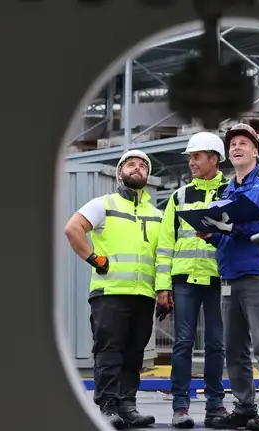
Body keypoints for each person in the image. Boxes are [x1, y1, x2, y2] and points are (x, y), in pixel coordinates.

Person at [64, 149, 162, 430]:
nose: (137, 167)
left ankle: (127, 405)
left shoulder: (156, 214)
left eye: (143, 165)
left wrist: (164, 292)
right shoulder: (103, 204)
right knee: (109, 351)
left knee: (134, 352)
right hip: (110, 293)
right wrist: (94, 258)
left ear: (147, 175)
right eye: (131, 164)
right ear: (120, 173)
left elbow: (162, 255)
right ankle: (107, 406)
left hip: (144, 294)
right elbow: (73, 229)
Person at [199, 123, 259, 431]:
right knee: (233, 347)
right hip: (230, 277)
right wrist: (210, 233)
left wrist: (233, 226)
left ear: (255, 151)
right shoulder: (225, 189)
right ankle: (245, 407)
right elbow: (225, 235)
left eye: (243, 143)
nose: (237, 147)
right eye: (233, 144)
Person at [155, 131, 231, 429]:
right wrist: (162, 286)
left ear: (214, 159)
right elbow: (165, 245)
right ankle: (180, 408)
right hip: (184, 279)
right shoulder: (180, 196)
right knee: (183, 343)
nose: (191, 162)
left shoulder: (230, 192)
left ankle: (215, 406)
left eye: (196, 156)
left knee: (216, 344)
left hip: (216, 278)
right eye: (190, 157)